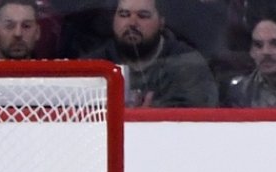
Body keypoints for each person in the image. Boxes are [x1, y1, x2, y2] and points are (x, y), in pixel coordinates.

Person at [82, 0, 218, 107]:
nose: (132, 23)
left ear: (161, 22)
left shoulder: (186, 63)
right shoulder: (94, 64)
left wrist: (152, 117)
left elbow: (197, 118)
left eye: (143, 16)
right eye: (124, 15)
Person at [223, 15, 276, 107]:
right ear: (251, 51)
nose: (266, 52)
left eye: (275, 44)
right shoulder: (239, 92)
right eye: (258, 45)